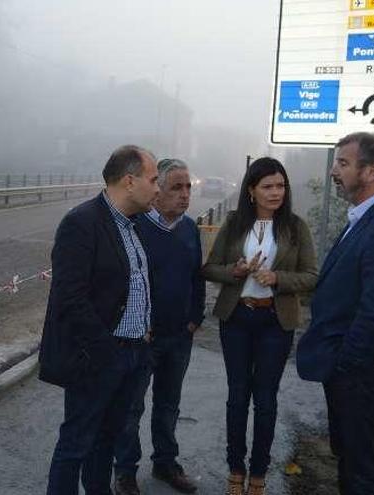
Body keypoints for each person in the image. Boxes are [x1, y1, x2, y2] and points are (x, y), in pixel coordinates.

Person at [296, 132, 374, 495]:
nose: (334, 171)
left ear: (371, 172)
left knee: (365, 472)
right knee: (351, 462)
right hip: (352, 374)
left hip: (363, 375)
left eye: (343, 163)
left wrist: (344, 364)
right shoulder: (367, 217)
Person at [39, 144, 160, 495]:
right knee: (76, 442)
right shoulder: (82, 223)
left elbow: (132, 285)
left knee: (106, 442)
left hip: (133, 354)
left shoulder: (134, 225)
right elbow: (69, 298)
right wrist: (107, 353)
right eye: (153, 180)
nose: (158, 188)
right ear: (129, 181)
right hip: (98, 357)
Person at [202, 157, 318, 495]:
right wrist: (235, 272)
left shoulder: (296, 227)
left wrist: (278, 278)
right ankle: (235, 470)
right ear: (251, 190)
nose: (275, 192)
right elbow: (210, 268)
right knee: (237, 396)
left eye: (280, 186)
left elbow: (311, 275)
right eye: (267, 186)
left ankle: (258, 474)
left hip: (274, 321)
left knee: (265, 399)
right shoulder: (236, 222)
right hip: (236, 318)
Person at [112, 159, 205, 495]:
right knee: (132, 406)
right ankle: (125, 471)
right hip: (143, 338)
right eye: (175, 187)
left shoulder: (190, 228)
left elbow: (197, 277)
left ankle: (166, 463)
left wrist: (196, 317)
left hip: (180, 336)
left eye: (187, 187)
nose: (184, 195)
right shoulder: (137, 228)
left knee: (169, 405)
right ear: (156, 191)